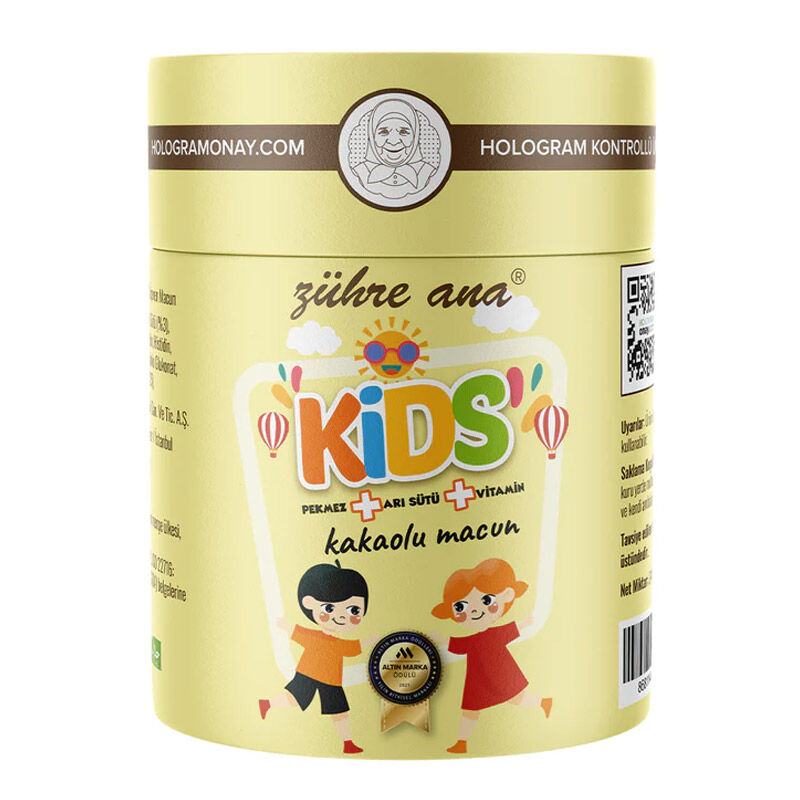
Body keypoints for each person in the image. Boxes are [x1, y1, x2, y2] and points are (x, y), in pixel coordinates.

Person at [431, 558, 553, 754]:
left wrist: (525, 623)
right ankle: (462, 742)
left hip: (499, 672)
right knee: (471, 710)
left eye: (486, 601)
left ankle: (543, 702)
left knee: (515, 698)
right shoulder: (473, 640)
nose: (474, 610)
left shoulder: (494, 634)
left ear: (505, 596)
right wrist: (440, 639)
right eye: (461, 607)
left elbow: (511, 630)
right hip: (478, 678)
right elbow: (457, 645)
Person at [258, 560, 375, 754]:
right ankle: (267, 704)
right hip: (308, 674)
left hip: (331, 680)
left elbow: (353, 647)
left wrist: (369, 641)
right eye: (329, 608)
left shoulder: (338, 644)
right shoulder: (314, 637)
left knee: (340, 712)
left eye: (353, 610)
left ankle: (347, 743)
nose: (341, 617)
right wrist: (284, 626)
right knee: (294, 699)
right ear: (310, 603)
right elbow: (297, 632)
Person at [351, 98, 437, 199]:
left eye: (403, 132)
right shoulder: (362, 171)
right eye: (384, 132)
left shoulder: (425, 171)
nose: (394, 141)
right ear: (372, 137)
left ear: (415, 137)